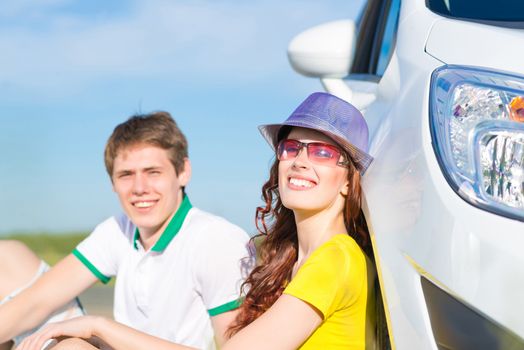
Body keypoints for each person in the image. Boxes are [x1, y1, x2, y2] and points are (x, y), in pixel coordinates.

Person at [20, 92, 377, 350]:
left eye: (323, 152)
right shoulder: (301, 259)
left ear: (348, 180)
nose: (300, 160)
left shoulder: (335, 259)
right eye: (291, 148)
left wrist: (98, 325)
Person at [0, 112, 251, 350]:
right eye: (126, 175)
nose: (139, 188)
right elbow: (35, 302)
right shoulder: (118, 229)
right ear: (112, 183)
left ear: (183, 171)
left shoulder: (216, 239)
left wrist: (99, 326)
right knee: (7, 257)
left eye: (153, 172)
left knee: (72, 347)